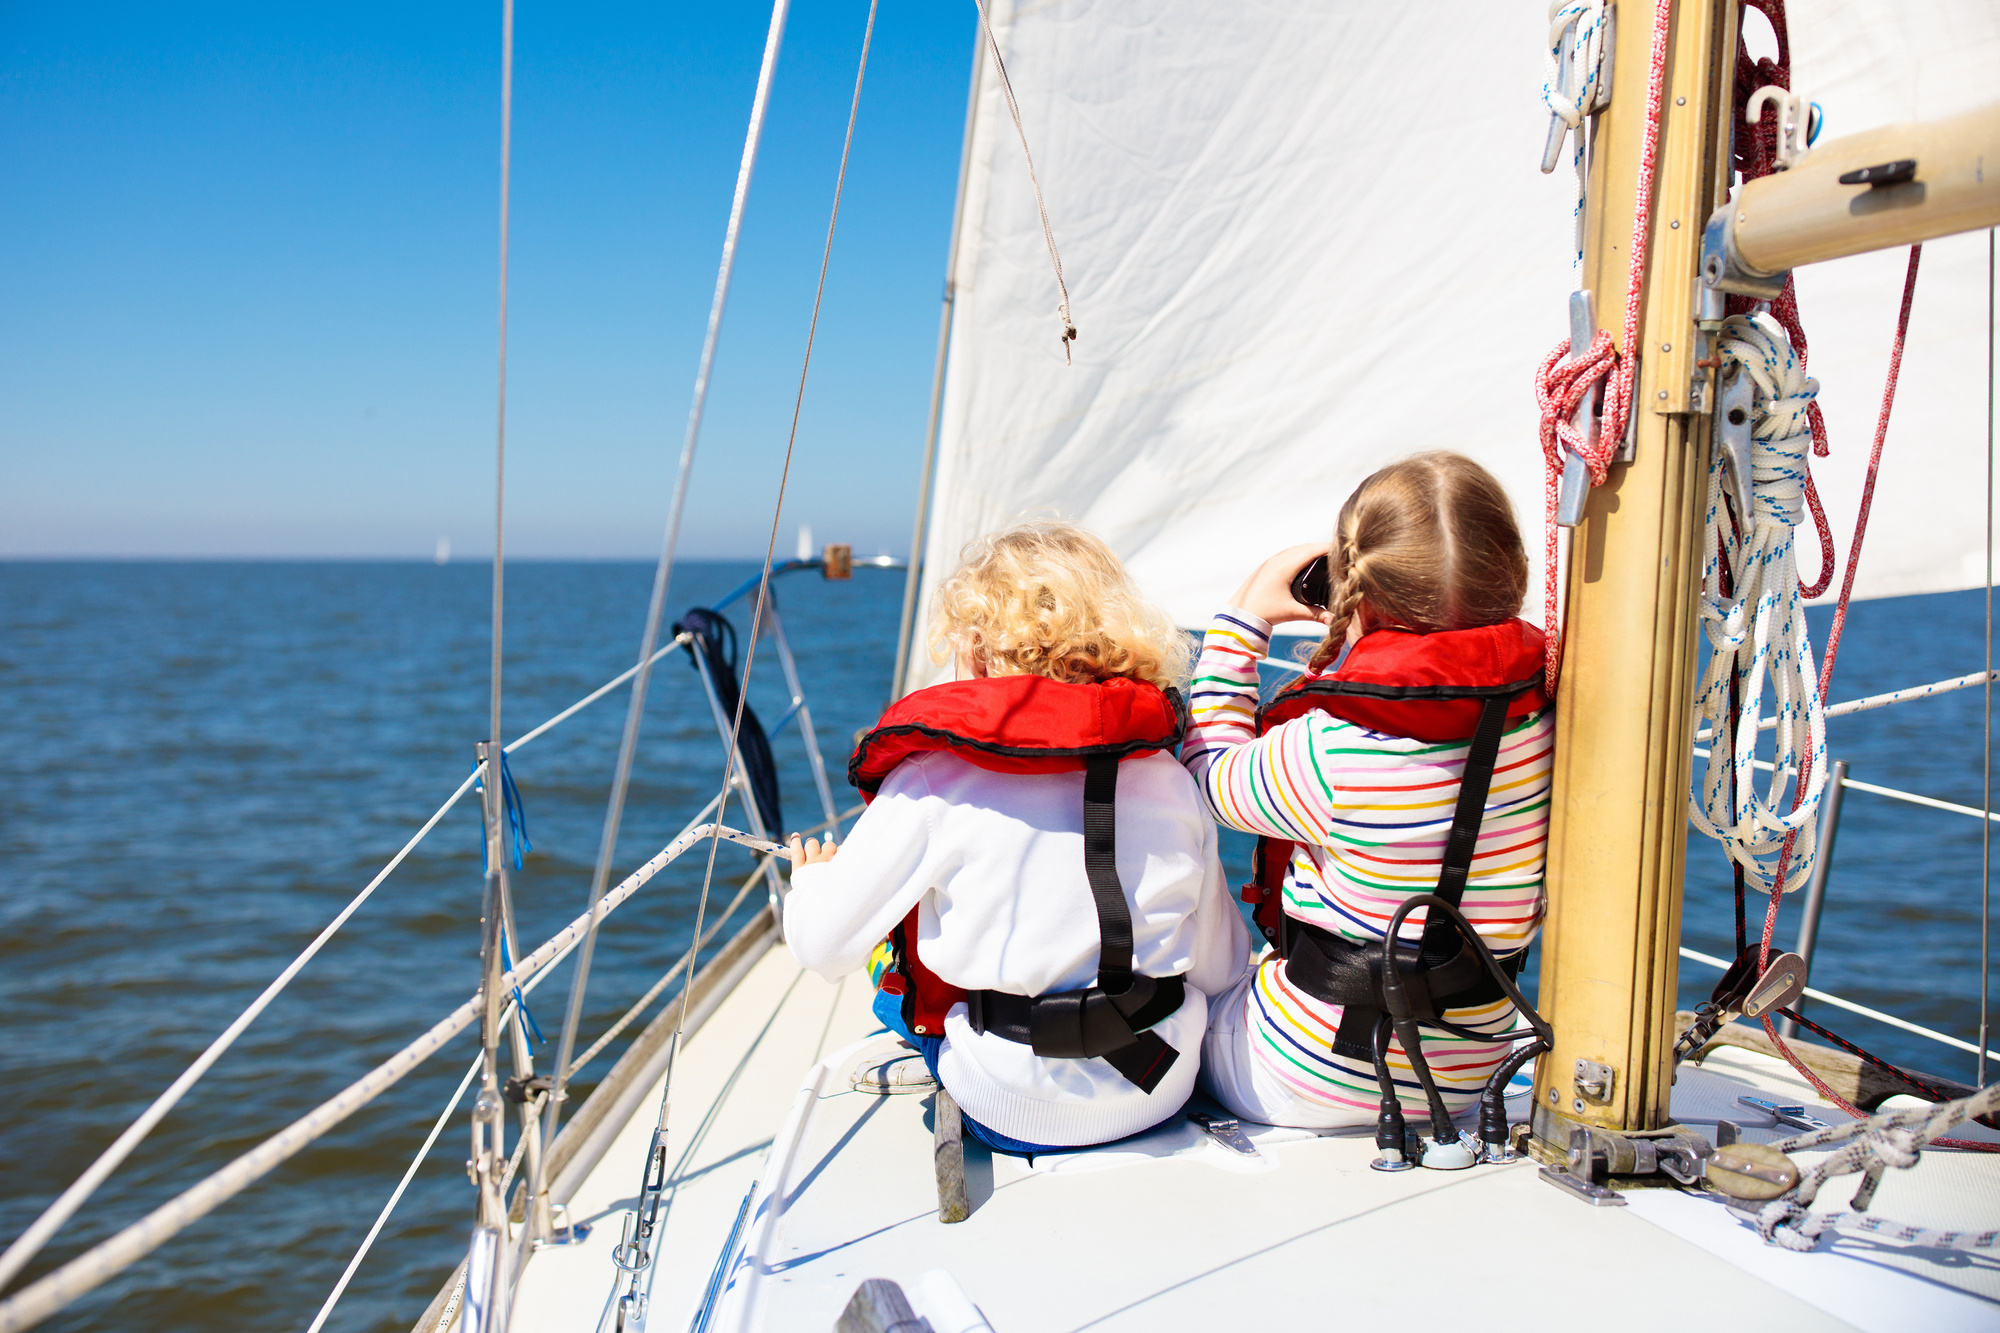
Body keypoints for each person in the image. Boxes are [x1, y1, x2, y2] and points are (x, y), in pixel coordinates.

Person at [784, 521, 1248, 1154]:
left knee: (887, 983)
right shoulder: (1169, 777)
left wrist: (812, 879)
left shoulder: (933, 781)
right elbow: (1221, 969)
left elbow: (821, 945)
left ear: (975, 649)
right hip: (1160, 1088)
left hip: (1013, 1105)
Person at [1182, 452, 1552, 1130]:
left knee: (1191, 997)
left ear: (1352, 592)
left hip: (1305, 1072)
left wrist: (1244, 614)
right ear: (1515, 574)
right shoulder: (1549, 720)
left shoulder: (1327, 750)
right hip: (1474, 1071)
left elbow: (1208, 773)